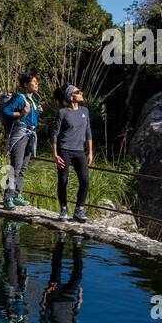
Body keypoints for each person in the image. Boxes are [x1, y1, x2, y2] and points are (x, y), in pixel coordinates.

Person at [35, 231, 85, 323]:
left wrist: (46, 292)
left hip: (54, 295)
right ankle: (77, 244)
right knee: (78, 274)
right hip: (69, 296)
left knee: (56, 268)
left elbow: (43, 308)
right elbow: (75, 314)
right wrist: (80, 298)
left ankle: (61, 241)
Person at [50, 83, 92, 222]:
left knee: (85, 181)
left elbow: (88, 132)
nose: (81, 93)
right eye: (78, 91)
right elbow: (54, 133)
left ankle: (79, 209)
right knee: (63, 180)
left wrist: (90, 152)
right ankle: (63, 209)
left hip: (80, 151)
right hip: (64, 150)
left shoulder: (85, 111)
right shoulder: (63, 112)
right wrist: (55, 154)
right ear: (71, 96)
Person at [0, 72, 40, 210]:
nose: (36, 84)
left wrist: (37, 110)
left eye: (37, 82)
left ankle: (17, 195)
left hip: (31, 135)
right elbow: (6, 110)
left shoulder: (34, 100)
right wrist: (20, 114)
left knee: (23, 168)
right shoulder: (20, 97)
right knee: (15, 168)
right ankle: (8, 198)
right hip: (21, 133)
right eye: (34, 82)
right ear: (25, 85)